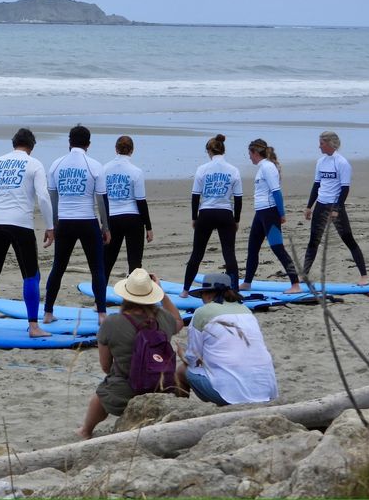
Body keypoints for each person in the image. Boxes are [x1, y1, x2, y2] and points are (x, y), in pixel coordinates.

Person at [77, 268, 182, 438]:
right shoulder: (163, 317)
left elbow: (105, 367)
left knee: (101, 394)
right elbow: (178, 321)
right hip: (162, 388)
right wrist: (163, 294)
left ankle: (85, 431)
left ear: (125, 295)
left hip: (125, 392)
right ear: (153, 294)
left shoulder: (112, 322)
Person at [0, 128, 55, 338]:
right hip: (21, 224)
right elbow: (43, 197)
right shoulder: (34, 164)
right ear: (31, 146)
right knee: (30, 275)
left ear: (14, 143)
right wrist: (50, 226)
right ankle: (34, 326)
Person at [43, 125, 111, 324]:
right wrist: (105, 228)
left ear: (69, 142)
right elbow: (101, 200)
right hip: (87, 222)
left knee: (58, 267)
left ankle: (47, 313)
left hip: (64, 222)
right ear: (88, 144)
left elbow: (52, 199)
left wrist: (53, 225)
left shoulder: (56, 165)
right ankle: (102, 314)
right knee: (97, 268)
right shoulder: (95, 165)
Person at [177, 273, 279, 405]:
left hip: (231, 394)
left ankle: (182, 411)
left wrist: (182, 355)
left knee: (181, 371)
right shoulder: (246, 311)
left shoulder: (202, 312)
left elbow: (193, 359)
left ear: (208, 294)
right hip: (266, 390)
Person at [302, 131, 369, 285]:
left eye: (322, 143)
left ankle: (364, 276)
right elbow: (317, 184)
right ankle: (303, 275)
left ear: (330, 143)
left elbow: (345, 188)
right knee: (313, 241)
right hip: (320, 205)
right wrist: (308, 206)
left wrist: (337, 209)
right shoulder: (320, 161)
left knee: (348, 239)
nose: (319, 146)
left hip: (334, 206)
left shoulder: (342, 163)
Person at [180, 134, 243, 297]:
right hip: (225, 213)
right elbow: (238, 198)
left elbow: (195, 196)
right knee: (229, 254)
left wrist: (195, 217)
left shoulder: (202, 169)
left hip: (206, 213)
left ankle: (185, 290)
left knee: (197, 253)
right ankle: (234, 290)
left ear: (210, 151)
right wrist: (236, 219)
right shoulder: (233, 170)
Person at [241, 139, 301, 293]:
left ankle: (295, 284)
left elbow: (276, 192)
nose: (249, 157)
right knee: (252, 248)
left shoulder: (268, 167)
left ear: (255, 152)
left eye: (250, 154)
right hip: (260, 213)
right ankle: (247, 282)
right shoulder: (262, 167)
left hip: (270, 212)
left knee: (278, 248)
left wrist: (281, 214)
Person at [102, 135, 153, 279]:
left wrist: (104, 224)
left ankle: (99, 299)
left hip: (112, 218)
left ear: (116, 149)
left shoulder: (104, 169)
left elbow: (101, 198)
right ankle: (134, 298)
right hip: (133, 219)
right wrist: (148, 227)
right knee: (135, 263)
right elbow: (141, 202)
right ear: (132, 150)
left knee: (106, 261)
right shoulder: (136, 171)